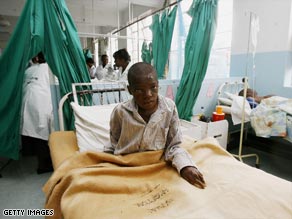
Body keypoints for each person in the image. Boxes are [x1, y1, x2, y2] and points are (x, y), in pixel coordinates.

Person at [104, 62, 206, 189]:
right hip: (126, 165)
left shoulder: (169, 108)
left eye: (153, 87)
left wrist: (186, 166)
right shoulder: (120, 112)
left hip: (157, 165)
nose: (148, 95)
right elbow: (115, 142)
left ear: (158, 85)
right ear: (130, 90)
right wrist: (107, 162)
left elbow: (174, 145)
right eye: (139, 90)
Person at [20, 52, 53, 174]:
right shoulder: (50, 68)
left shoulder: (30, 69)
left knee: (30, 127)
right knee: (42, 133)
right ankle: (43, 166)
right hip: (41, 101)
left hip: (28, 99)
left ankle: (28, 151)